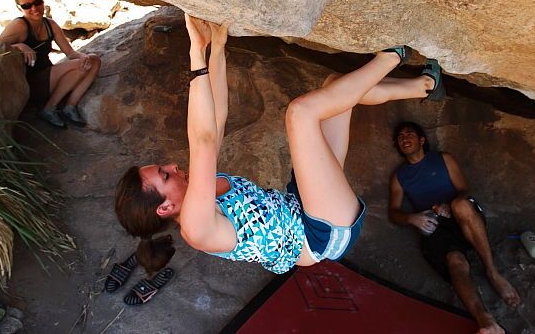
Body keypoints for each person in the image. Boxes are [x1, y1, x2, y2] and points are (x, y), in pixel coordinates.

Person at [113, 15, 445, 304]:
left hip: (301, 200)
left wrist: (217, 46)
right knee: (301, 113)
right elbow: (202, 139)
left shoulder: (195, 188)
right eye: (165, 176)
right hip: (319, 234)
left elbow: (217, 117)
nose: (172, 166)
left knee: (334, 91)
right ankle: (394, 53)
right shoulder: (197, 228)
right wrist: (195, 52)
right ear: (165, 208)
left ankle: (426, 85)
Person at [388, 121, 520, 334]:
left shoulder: (443, 159)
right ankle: (485, 319)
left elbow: (464, 190)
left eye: (409, 134)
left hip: (461, 215)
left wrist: (450, 206)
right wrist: (412, 218)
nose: (404, 138)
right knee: (454, 261)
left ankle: (492, 272)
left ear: (422, 140)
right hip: (434, 224)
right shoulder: (400, 176)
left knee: (461, 204)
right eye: (400, 136)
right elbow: (393, 212)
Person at [0, 0, 101, 128]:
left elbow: (70, 53)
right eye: (27, 5)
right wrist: (19, 46)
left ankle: (70, 106)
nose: (34, 8)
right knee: (79, 65)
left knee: (94, 60)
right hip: (31, 84)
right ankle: (49, 108)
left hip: (50, 77)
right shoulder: (19, 25)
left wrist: (83, 57)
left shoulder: (50, 24)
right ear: (20, 8)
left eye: (37, 2)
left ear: (42, 1)